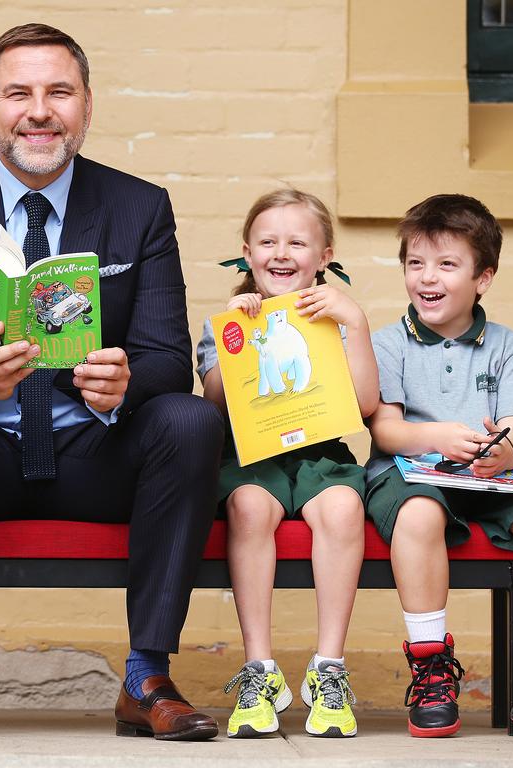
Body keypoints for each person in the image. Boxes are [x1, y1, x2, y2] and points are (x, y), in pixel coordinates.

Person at [0, 23, 224, 742]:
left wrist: (125, 381)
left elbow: (166, 357)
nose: (39, 111)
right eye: (18, 92)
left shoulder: (139, 206)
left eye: (60, 91)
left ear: (87, 105)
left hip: (95, 452)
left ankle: (147, 675)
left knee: (189, 419)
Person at [197, 189, 379, 738]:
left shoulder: (340, 319)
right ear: (247, 253)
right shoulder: (227, 321)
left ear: (324, 256)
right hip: (252, 458)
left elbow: (366, 404)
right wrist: (237, 339)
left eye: (298, 242)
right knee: (249, 508)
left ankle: (329, 670)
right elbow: (209, 402)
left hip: (322, 456)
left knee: (345, 507)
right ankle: (260, 669)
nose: (282, 252)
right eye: (268, 241)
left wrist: (359, 323)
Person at [365, 194, 513, 736]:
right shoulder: (387, 344)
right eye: (416, 263)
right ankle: (431, 663)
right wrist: (435, 436)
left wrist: (505, 450)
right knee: (418, 517)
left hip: (492, 477)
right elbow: (386, 429)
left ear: (483, 277)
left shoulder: (509, 347)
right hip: (410, 475)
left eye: (446, 264)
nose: (426, 277)